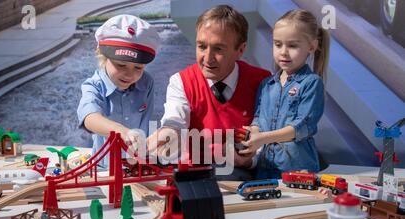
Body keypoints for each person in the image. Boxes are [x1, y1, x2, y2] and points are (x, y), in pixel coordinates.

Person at [147, 5, 271, 180]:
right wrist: (169, 132)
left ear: (240, 50)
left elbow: (268, 137)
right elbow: (175, 120)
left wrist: (250, 161)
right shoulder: (180, 81)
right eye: (202, 46)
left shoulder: (263, 82)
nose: (207, 57)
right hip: (193, 173)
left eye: (218, 49)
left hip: (238, 173)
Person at [240, 9, 330, 179]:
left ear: (312, 46)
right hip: (265, 168)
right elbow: (259, 120)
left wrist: (262, 138)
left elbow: (301, 128)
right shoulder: (267, 84)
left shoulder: (311, 83)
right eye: (278, 44)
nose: (283, 52)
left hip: (299, 169)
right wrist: (250, 134)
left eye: (293, 45)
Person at [77, 15, 160, 168]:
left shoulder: (147, 83)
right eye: (121, 65)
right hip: (105, 168)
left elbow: (147, 123)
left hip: (136, 166)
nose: (130, 74)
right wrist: (122, 132)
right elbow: (89, 118)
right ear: (103, 57)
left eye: (138, 67)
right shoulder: (93, 86)